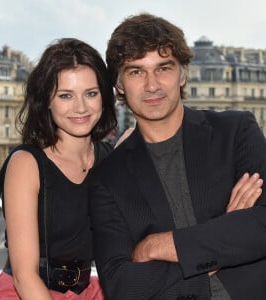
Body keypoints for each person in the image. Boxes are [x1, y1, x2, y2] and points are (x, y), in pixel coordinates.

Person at [89, 13, 266, 300]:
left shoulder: (236, 132)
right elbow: (123, 287)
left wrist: (157, 246)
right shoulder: (108, 177)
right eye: (136, 72)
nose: (152, 85)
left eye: (163, 68)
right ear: (119, 85)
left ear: (183, 74)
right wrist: (225, 233)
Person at [0, 38, 117, 299]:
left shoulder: (112, 160)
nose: (80, 107)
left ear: (104, 97)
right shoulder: (27, 164)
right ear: (46, 100)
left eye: (91, 93)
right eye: (65, 96)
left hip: (87, 291)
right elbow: (25, 277)